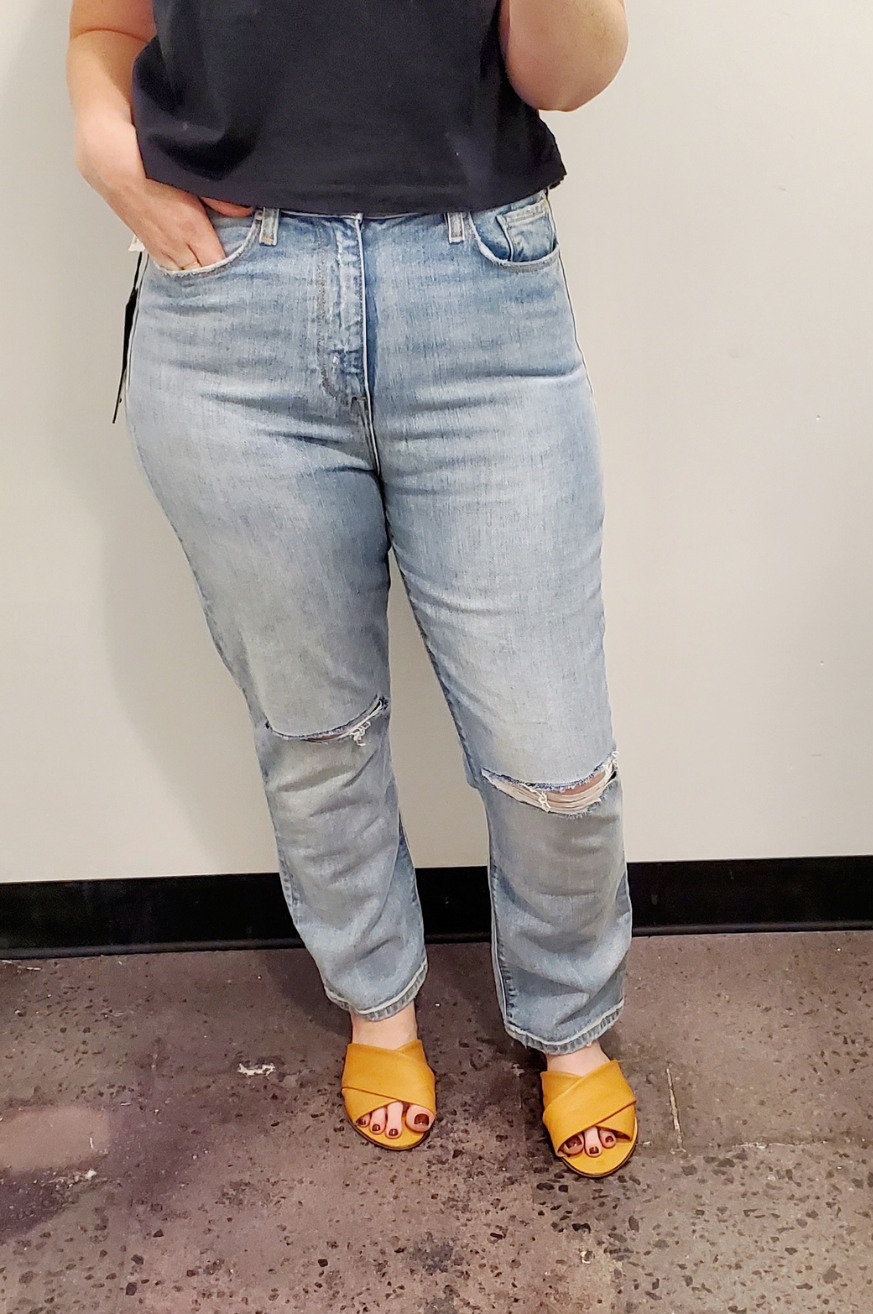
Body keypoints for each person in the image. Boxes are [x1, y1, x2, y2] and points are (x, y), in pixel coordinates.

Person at [67, 0, 641, 1178]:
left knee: (554, 755)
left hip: (477, 294)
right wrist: (107, 150)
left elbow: (570, 74)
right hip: (230, 306)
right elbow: (105, 27)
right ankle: (378, 1003)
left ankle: (568, 1018)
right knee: (315, 725)